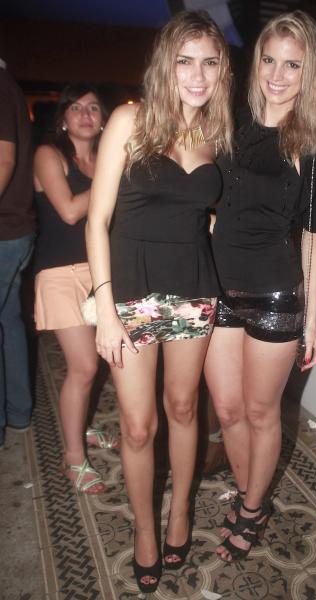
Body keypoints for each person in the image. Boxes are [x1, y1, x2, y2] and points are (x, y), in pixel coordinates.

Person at [85, 10, 232, 593]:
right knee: (138, 426)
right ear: (164, 65)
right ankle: (145, 528)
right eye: (184, 60)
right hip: (131, 292)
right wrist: (105, 310)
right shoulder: (131, 119)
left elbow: (208, 215)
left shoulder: (217, 133)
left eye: (209, 62)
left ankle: (180, 511)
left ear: (221, 70)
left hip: (194, 289)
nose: (197, 75)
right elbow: (97, 220)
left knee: (184, 408)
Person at [205, 10, 316, 562]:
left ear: (310, 73)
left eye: (293, 65)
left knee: (261, 412)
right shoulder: (230, 123)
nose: (278, 75)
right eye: (270, 60)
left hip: (274, 295)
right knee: (228, 410)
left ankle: (252, 508)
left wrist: (312, 320)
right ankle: (250, 492)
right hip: (217, 286)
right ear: (256, 61)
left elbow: (313, 238)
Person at [33, 83, 116, 494]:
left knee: (99, 360)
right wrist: (112, 175)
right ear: (63, 117)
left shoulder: (104, 158)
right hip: (60, 273)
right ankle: (73, 458)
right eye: (76, 107)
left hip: (101, 270)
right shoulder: (48, 154)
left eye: (94, 108)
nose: (85, 115)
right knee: (83, 367)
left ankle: (80, 426)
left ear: (103, 120)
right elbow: (68, 211)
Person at [0, 58, 35, 449]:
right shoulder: (8, 84)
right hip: (15, 228)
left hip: (5, 230)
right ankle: (19, 411)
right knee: (8, 319)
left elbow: (4, 160)